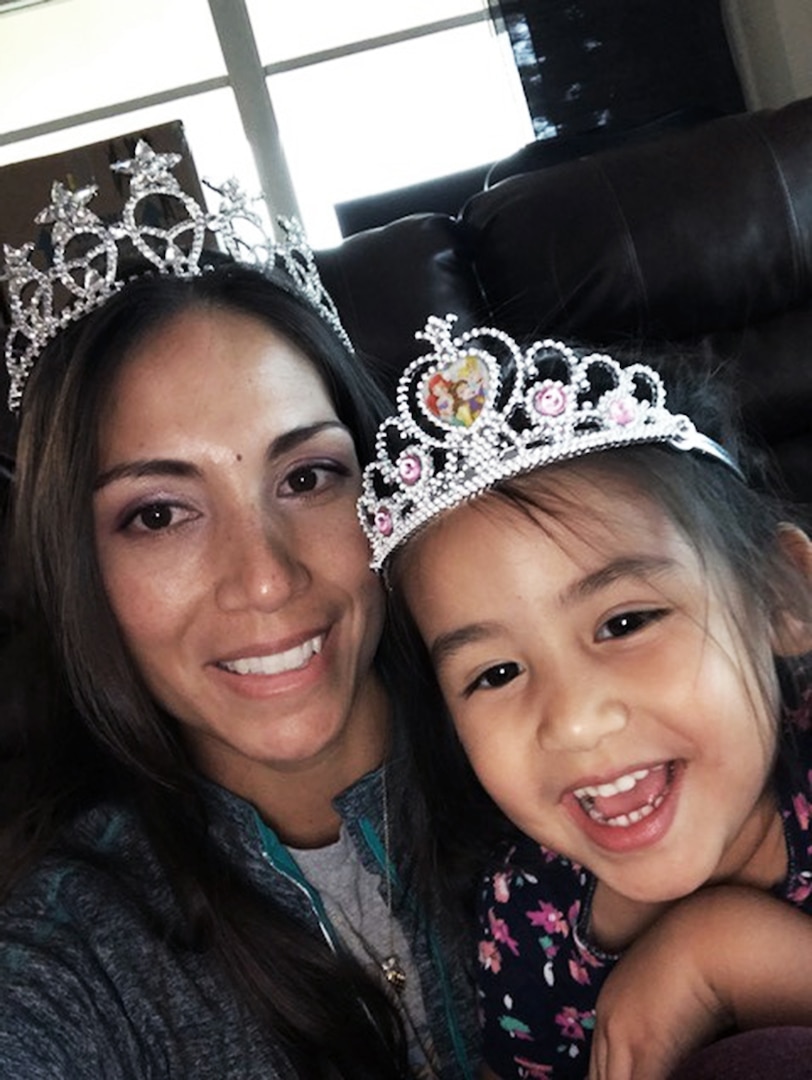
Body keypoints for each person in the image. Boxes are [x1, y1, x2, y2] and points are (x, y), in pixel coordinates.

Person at [0, 144, 479, 1079]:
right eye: (158, 514)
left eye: (306, 477)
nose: (264, 579)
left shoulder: (573, 733)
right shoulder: (71, 951)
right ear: (76, 567)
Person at [357, 313, 812, 1080]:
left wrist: (717, 955)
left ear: (782, 597)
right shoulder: (524, 925)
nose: (571, 722)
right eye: (494, 674)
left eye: (625, 622)